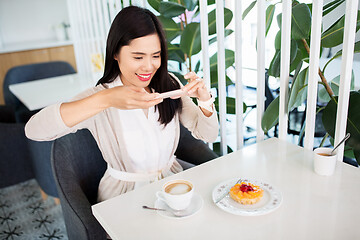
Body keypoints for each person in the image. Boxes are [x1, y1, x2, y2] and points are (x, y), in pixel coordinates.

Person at [25, 6, 218, 202]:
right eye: (138, 57)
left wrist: (204, 99)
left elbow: (207, 134)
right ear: (115, 53)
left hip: (172, 186)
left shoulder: (169, 85)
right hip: (124, 197)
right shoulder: (100, 97)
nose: (149, 66)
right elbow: (34, 130)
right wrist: (105, 99)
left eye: (156, 55)